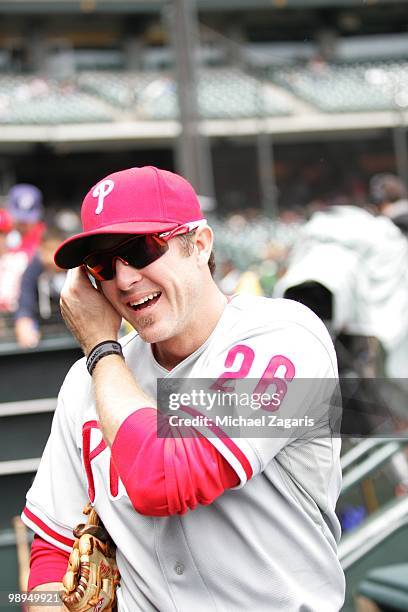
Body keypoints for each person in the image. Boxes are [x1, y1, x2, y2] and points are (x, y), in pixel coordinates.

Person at [22, 166, 345, 611]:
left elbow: (167, 479)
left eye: (139, 249)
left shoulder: (283, 335)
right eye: (102, 263)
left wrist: (100, 347)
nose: (124, 279)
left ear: (200, 244)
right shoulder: (86, 381)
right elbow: (51, 551)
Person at [14, 227, 67, 348]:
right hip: (44, 328)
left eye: (55, 249)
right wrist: (24, 321)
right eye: (46, 250)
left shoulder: (75, 269)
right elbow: (25, 299)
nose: (50, 256)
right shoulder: (35, 269)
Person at [7, 183, 45, 258]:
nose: (23, 223)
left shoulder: (45, 237)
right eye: (19, 218)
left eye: (29, 218)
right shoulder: (3, 234)